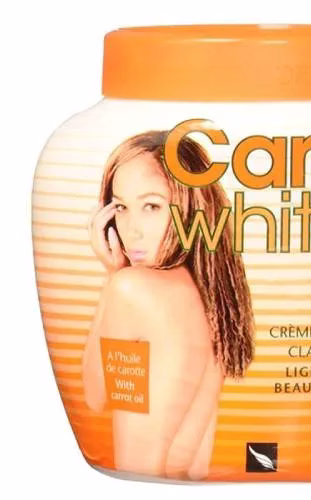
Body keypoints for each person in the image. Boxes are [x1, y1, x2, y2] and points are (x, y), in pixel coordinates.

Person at [81, 130, 254, 480]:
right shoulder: (212, 300)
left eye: (152, 206)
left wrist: (112, 276)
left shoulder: (132, 289)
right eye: (120, 207)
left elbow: (96, 396)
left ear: (191, 208)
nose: (131, 230)